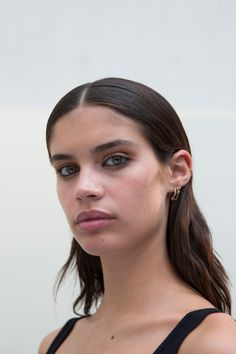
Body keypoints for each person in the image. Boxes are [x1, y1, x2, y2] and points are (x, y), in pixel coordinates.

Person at [38, 77, 236, 354]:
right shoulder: (54, 345)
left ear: (176, 171)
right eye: (68, 169)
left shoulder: (214, 343)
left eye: (115, 159)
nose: (84, 189)